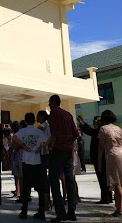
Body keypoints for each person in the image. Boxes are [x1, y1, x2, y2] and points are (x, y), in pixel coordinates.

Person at [48, 94, 79, 223]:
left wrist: (51, 146)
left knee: (54, 180)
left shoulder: (54, 113)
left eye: (50, 102)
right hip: (67, 150)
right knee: (69, 180)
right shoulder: (68, 114)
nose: (49, 104)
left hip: (57, 151)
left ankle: (60, 212)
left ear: (54, 102)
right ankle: (71, 212)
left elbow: (54, 132)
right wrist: (68, 144)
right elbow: (76, 134)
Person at [13, 112, 48, 221]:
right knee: (40, 189)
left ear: (26, 120)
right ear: (34, 120)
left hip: (27, 162)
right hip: (37, 162)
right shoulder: (39, 131)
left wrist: (23, 145)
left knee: (26, 188)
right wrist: (41, 147)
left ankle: (24, 211)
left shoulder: (23, 131)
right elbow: (49, 139)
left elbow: (14, 137)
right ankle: (41, 212)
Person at [77, 115, 111, 204]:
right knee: (105, 178)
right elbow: (91, 130)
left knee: (102, 178)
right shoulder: (103, 130)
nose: (95, 123)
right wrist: (84, 123)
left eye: (97, 122)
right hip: (103, 157)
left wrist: (82, 124)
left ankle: (105, 198)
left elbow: (89, 131)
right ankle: (108, 196)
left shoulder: (100, 131)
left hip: (100, 158)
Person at [98, 110, 122, 217]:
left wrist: (99, 161)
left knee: (116, 183)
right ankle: (118, 207)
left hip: (112, 155)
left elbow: (100, 147)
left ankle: (119, 209)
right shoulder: (118, 128)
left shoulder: (103, 129)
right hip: (121, 152)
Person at [37, 110, 51, 210]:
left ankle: (46, 202)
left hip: (45, 154)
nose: (37, 118)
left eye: (38, 116)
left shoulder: (44, 126)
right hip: (44, 154)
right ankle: (47, 201)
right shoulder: (43, 126)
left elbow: (46, 139)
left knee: (43, 179)